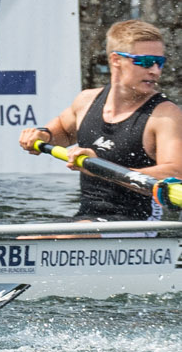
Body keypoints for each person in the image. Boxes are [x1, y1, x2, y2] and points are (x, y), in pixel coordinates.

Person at [22, 20, 182, 220]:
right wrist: (42, 134)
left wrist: (99, 168)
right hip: (88, 218)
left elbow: (175, 174)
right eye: (146, 62)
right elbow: (62, 130)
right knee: (24, 241)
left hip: (139, 223)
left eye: (160, 62)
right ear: (116, 60)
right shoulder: (86, 101)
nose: (155, 71)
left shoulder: (165, 115)